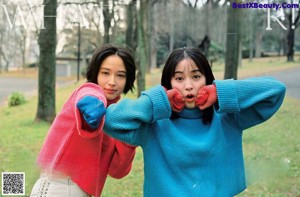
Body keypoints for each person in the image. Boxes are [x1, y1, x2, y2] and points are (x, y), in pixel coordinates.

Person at [103, 47, 286, 197]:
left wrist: (221, 93)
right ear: (169, 83)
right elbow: (110, 121)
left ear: (207, 79)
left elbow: (275, 91)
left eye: (196, 77)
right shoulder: (154, 126)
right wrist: (158, 102)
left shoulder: (227, 118)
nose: (188, 85)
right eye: (179, 78)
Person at [30, 44, 136, 197]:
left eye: (120, 75)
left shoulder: (115, 116)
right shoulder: (89, 92)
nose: (112, 81)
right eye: (105, 73)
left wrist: (130, 138)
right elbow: (89, 96)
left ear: (128, 79)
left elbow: (117, 170)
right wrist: (93, 106)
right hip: (60, 188)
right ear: (95, 73)